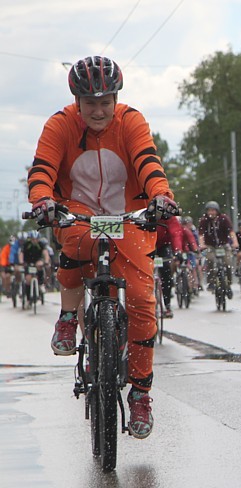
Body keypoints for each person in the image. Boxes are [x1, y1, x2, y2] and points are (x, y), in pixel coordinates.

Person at [27, 55, 178, 439]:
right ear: (77, 101)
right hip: (78, 210)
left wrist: (161, 196)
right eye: (90, 103)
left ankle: (141, 393)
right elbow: (42, 168)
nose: (98, 110)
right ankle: (67, 317)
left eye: (105, 101)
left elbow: (148, 161)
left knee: (143, 299)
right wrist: (43, 199)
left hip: (128, 212)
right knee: (77, 240)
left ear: (116, 98)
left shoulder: (131, 121)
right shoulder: (60, 124)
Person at [198, 201, 238, 296]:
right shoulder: (204, 221)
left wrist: (235, 243)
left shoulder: (224, 219)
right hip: (210, 246)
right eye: (209, 210)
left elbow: (231, 232)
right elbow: (201, 235)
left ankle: (228, 284)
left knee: (227, 263)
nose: (211, 213)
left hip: (223, 245)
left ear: (217, 211)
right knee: (210, 260)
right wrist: (202, 244)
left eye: (213, 210)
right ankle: (211, 282)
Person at [156, 214, 184, 318]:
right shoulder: (143, 211)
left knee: (166, 273)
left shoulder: (168, 214)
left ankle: (167, 306)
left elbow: (175, 233)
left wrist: (177, 251)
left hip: (164, 245)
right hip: (147, 243)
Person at [19, 230, 50, 301]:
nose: (35, 241)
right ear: (30, 239)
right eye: (33, 239)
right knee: (28, 279)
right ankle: (28, 297)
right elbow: (21, 253)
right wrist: (21, 262)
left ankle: (41, 284)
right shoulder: (26, 244)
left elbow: (45, 253)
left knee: (40, 266)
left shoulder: (41, 244)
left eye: (36, 239)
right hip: (28, 261)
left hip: (37, 260)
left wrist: (46, 261)